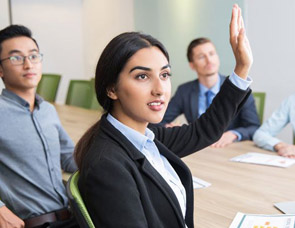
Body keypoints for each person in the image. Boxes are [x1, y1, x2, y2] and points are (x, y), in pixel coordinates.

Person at [75, 4, 252, 227]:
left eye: (165, 74)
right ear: (111, 89)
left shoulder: (145, 139)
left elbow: (204, 131)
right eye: (142, 76)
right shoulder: (108, 165)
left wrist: (241, 68)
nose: (160, 89)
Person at [0, 25, 78, 228]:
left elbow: (69, 158)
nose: (28, 64)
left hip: (71, 217)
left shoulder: (48, 111)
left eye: (33, 56)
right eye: (16, 58)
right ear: (0, 69)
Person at [159, 37, 260, 147]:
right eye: (201, 56)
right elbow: (159, 120)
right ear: (192, 65)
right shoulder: (184, 91)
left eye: (212, 54)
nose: (209, 60)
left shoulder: (238, 88)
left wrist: (233, 134)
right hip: (199, 150)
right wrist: (168, 128)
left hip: (229, 149)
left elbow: (254, 127)